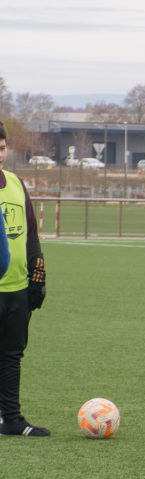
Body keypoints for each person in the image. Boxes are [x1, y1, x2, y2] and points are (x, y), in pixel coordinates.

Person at [0, 121, 48, 436]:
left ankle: (12, 420)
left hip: (17, 289)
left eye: (2, 148)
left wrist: (37, 276)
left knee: (11, 356)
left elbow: (31, 235)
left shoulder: (16, 183)